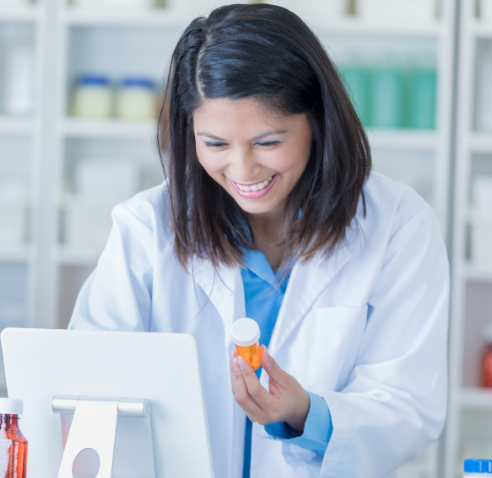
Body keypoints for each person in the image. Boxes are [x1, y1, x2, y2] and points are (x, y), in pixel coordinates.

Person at [68, 4, 448, 477]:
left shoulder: (398, 226)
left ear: (318, 122)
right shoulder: (146, 228)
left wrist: (305, 412)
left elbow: (409, 407)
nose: (244, 171)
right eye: (216, 144)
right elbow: (85, 386)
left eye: (268, 142)